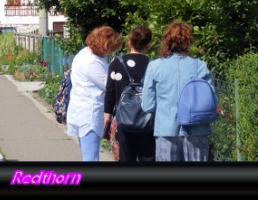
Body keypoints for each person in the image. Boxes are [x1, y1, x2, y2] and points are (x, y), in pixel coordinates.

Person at [141, 20, 215, 162]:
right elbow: (212, 101)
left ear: (166, 41)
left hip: (166, 129)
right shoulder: (200, 66)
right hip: (197, 129)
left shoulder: (155, 67)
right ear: (188, 41)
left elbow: (147, 105)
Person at [66, 25, 122, 161]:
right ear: (104, 45)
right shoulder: (91, 62)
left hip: (82, 109)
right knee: (91, 158)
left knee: (89, 155)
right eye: (110, 49)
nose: (110, 53)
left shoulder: (85, 53)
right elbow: (109, 85)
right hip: (89, 113)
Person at [104, 25, 155, 162]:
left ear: (129, 42)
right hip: (148, 124)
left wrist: (107, 124)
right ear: (148, 44)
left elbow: (110, 94)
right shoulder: (153, 65)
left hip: (123, 124)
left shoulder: (117, 63)